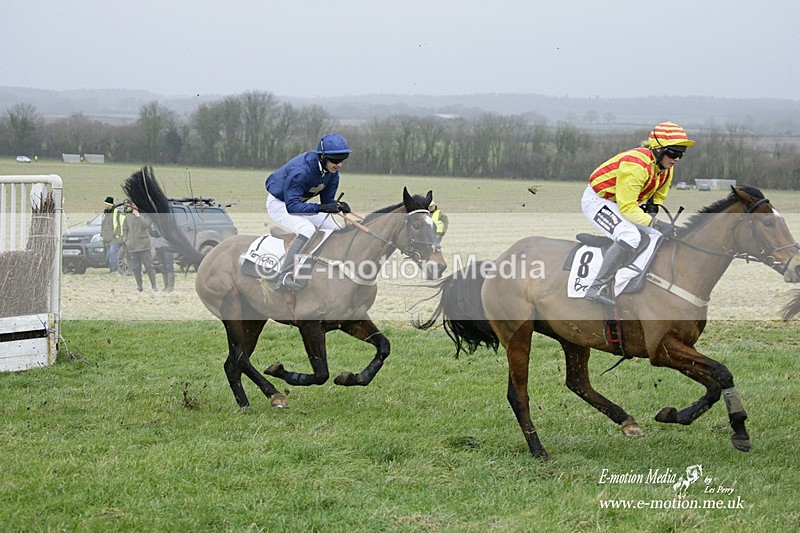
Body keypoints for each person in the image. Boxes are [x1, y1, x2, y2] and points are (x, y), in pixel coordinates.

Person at [580, 121, 695, 306]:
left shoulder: (666, 169)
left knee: (657, 236)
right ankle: (596, 287)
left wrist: (653, 207)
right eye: (674, 153)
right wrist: (657, 223)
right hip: (598, 201)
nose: (677, 159)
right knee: (630, 236)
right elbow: (627, 208)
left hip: (622, 204)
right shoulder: (636, 165)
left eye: (681, 154)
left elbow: (659, 195)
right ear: (658, 149)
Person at [265, 132, 352, 291]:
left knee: (335, 229)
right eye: (335, 160)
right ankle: (283, 276)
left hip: (299, 203)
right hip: (280, 204)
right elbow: (292, 207)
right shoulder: (301, 171)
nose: (339, 165)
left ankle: (331, 269)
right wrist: (322, 208)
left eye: (342, 160)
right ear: (323, 157)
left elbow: (327, 202)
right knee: (307, 230)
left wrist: (338, 205)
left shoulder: (332, 173)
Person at [122, 201, 157, 292]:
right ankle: (139, 286)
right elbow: (125, 228)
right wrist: (126, 239)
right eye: (133, 205)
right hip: (132, 246)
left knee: (149, 267)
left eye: (136, 204)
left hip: (144, 245)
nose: (134, 206)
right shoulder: (128, 216)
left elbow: (146, 225)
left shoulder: (144, 214)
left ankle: (154, 286)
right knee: (136, 268)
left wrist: (138, 216)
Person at [100, 196, 123, 274]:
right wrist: (102, 234)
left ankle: (115, 270)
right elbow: (103, 225)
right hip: (106, 238)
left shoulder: (117, 213)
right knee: (109, 255)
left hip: (115, 238)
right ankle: (111, 270)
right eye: (105, 204)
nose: (105, 206)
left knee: (113, 253)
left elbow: (121, 224)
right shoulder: (105, 213)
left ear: (110, 205)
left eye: (106, 204)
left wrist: (116, 234)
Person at [152, 225, 175, 292]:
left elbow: (166, 232)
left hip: (167, 245)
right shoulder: (153, 223)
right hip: (158, 246)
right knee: (162, 266)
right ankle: (166, 285)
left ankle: (170, 286)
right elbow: (151, 232)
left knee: (169, 265)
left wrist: (158, 232)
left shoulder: (166, 221)